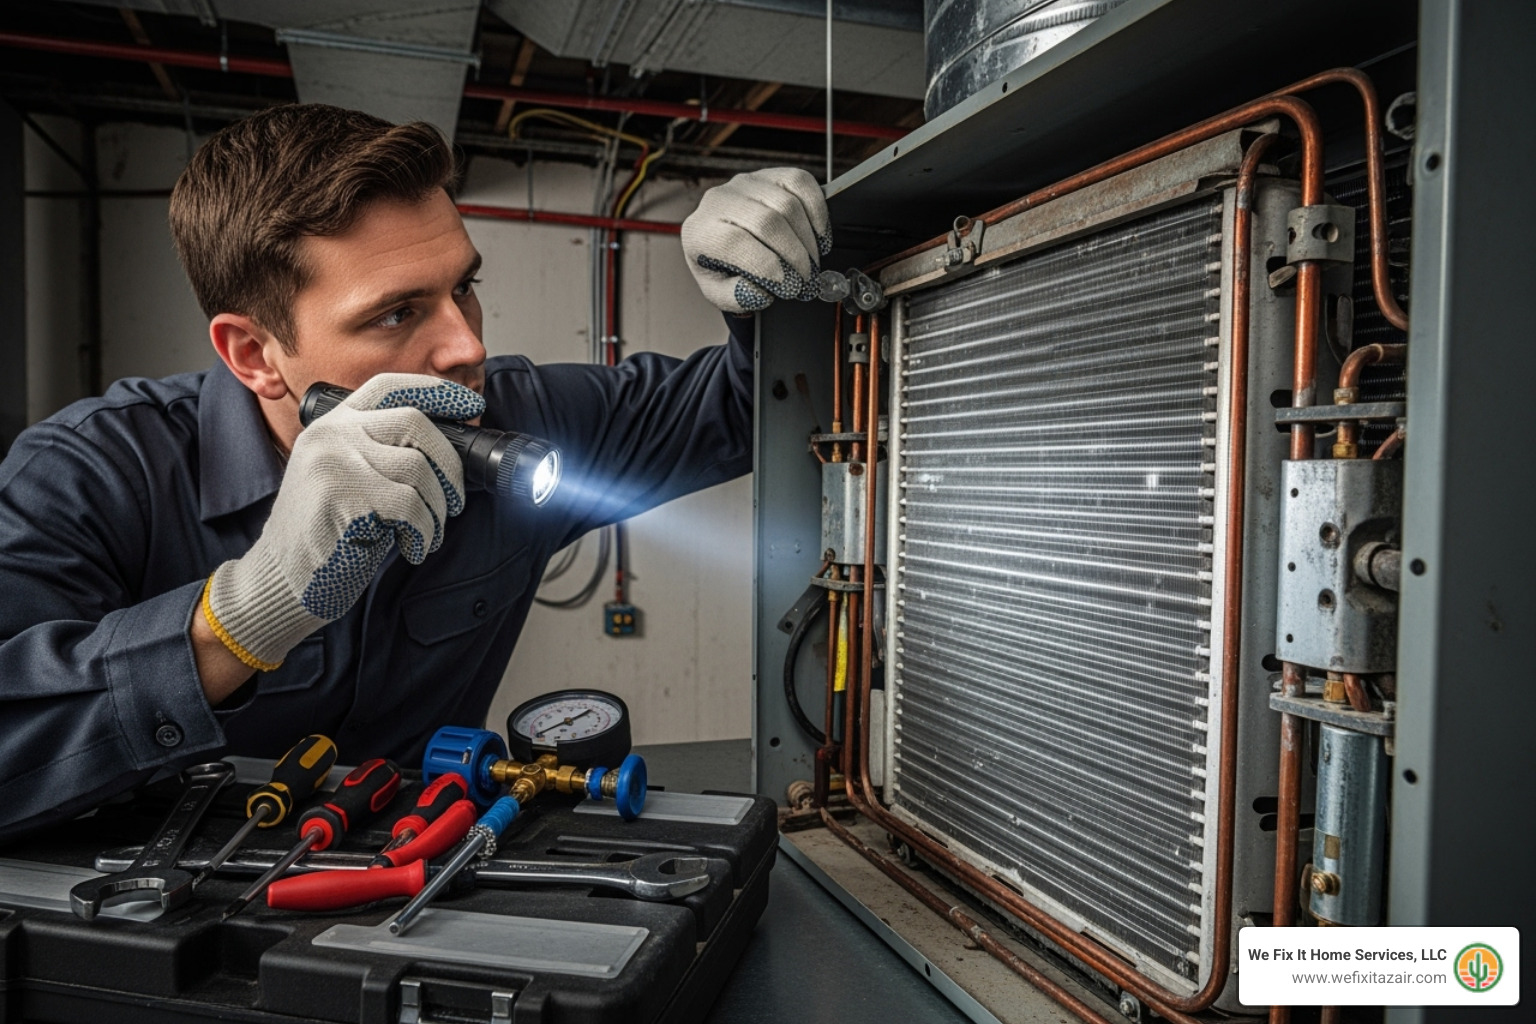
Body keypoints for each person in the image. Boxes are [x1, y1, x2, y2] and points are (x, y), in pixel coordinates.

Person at [0, 104, 831, 841]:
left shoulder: (519, 423)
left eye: (462, 288)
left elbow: (754, 406)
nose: (467, 346)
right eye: (397, 313)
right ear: (254, 354)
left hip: (436, 879)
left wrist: (768, 287)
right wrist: (241, 617)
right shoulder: (92, 473)